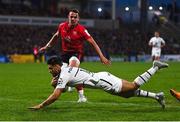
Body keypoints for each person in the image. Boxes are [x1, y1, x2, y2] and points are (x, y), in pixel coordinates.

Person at [29, 56, 169, 110]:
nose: (49, 70)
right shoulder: (64, 71)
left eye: (50, 68)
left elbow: (56, 95)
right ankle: (157, 96)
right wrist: (57, 84)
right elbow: (63, 89)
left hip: (103, 81)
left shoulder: (64, 73)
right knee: (128, 95)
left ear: (57, 66)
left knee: (133, 86)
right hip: (101, 79)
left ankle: (155, 67)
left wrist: (41, 105)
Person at [39, 9, 110, 102]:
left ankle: (82, 97)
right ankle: (66, 86)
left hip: (76, 53)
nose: (73, 19)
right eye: (71, 17)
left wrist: (101, 56)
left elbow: (93, 43)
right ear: (68, 17)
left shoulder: (82, 30)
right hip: (64, 54)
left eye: (75, 17)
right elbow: (56, 36)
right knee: (55, 81)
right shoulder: (62, 26)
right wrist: (46, 46)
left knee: (71, 72)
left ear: (78, 19)